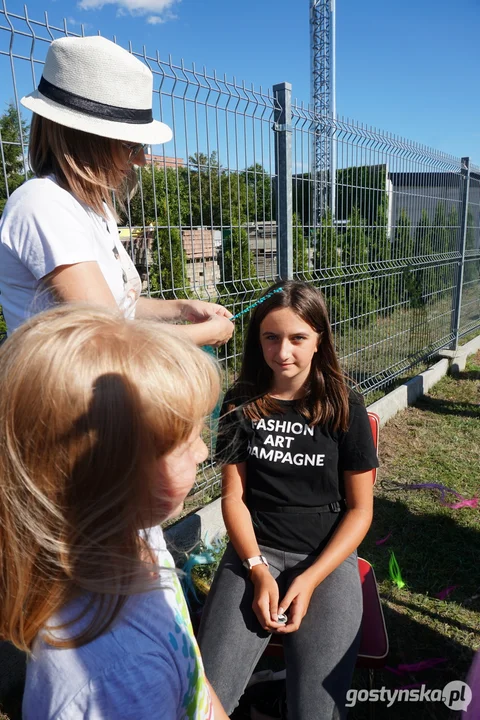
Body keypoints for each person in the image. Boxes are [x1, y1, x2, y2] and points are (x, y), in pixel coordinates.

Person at [0, 304, 229, 720]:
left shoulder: (138, 535)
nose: (204, 451)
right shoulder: (119, 682)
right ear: (110, 476)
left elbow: (191, 668)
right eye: (188, 439)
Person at [197, 280, 379, 720]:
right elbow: (234, 497)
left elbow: (360, 510)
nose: (283, 352)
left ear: (319, 339)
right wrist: (257, 570)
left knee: (316, 710)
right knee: (204, 699)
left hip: (326, 559)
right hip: (254, 556)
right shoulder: (241, 404)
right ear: (257, 339)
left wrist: (312, 577)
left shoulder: (343, 407)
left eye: (298, 338)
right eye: (271, 337)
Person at [0, 35, 233, 346]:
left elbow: (120, 309)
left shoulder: (91, 208)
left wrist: (182, 307)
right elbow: (109, 334)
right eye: (130, 145)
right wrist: (198, 335)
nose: (141, 160)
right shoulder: (43, 205)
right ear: (84, 140)